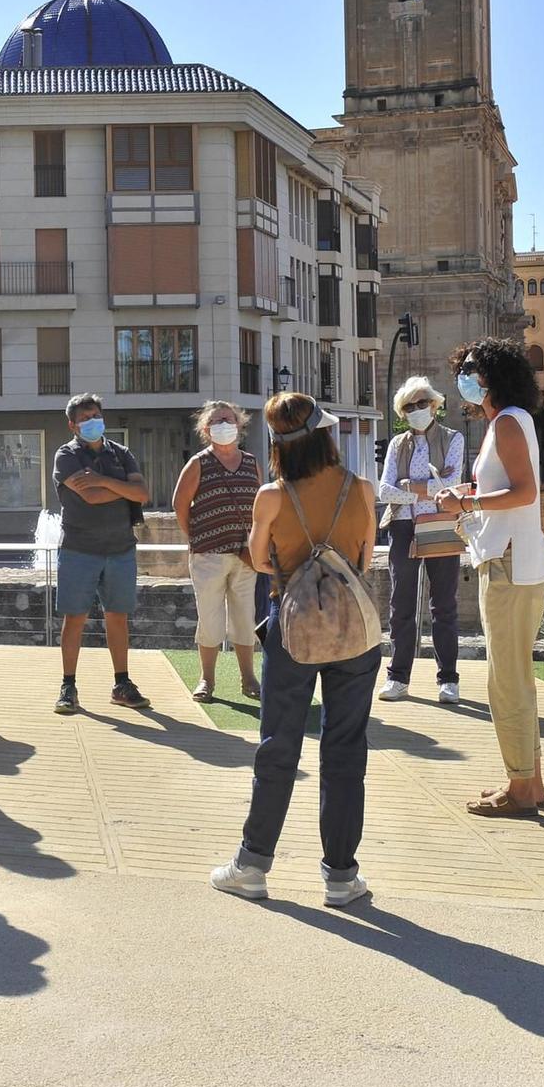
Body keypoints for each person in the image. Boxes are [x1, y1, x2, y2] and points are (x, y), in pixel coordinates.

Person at [209, 391, 381, 906]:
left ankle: (253, 866)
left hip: (293, 629)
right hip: (353, 631)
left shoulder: (272, 496)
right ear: (326, 433)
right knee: (346, 750)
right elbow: (366, 560)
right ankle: (341, 876)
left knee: (278, 746)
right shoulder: (363, 490)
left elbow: (261, 561)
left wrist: (298, 566)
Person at [435, 337, 544, 819]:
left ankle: (521, 788)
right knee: (517, 677)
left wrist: (466, 503)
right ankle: (531, 781)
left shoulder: (507, 422)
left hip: (508, 562)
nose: (463, 375)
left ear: (491, 376)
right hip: (517, 560)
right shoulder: (511, 421)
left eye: (469, 369)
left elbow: (524, 492)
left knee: (505, 681)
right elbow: (510, 485)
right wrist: (471, 490)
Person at [51, 394, 152, 715]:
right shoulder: (66, 455)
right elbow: (90, 497)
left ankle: (122, 683)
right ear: (72, 425)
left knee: (118, 616)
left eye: (95, 415)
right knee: (75, 618)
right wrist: (119, 487)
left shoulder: (121, 453)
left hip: (120, 547)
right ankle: (68, 686)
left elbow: (142, 493)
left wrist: (102, 480)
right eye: (84, 418)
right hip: (79, 549)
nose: (92, 421)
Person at [373, 376, 466, 706]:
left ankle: (448, 680)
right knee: (401, 605)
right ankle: (398, 677)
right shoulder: (398, 444)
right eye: (409, 406)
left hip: (440, 525)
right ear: (401, 412)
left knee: (444, 605)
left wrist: (408, 485)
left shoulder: (454, 438)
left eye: (422, 403)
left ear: (435, 405)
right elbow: (384, 490)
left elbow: (452, 485)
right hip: (402, 526)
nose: (416, 410)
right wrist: (426, 489)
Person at [172, 401, 263, 702]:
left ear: (239, 424)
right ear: (205, 429)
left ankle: (248, 678)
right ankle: (206, 680)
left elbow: (261, 506)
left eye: (228, 418)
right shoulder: (198, 463)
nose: (223, 423)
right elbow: (180, 504)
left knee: (244, 618)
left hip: (245, 555)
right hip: (208, 554)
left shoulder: (251, 463)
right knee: (210, 619)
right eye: (216, 420)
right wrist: (196, 537)